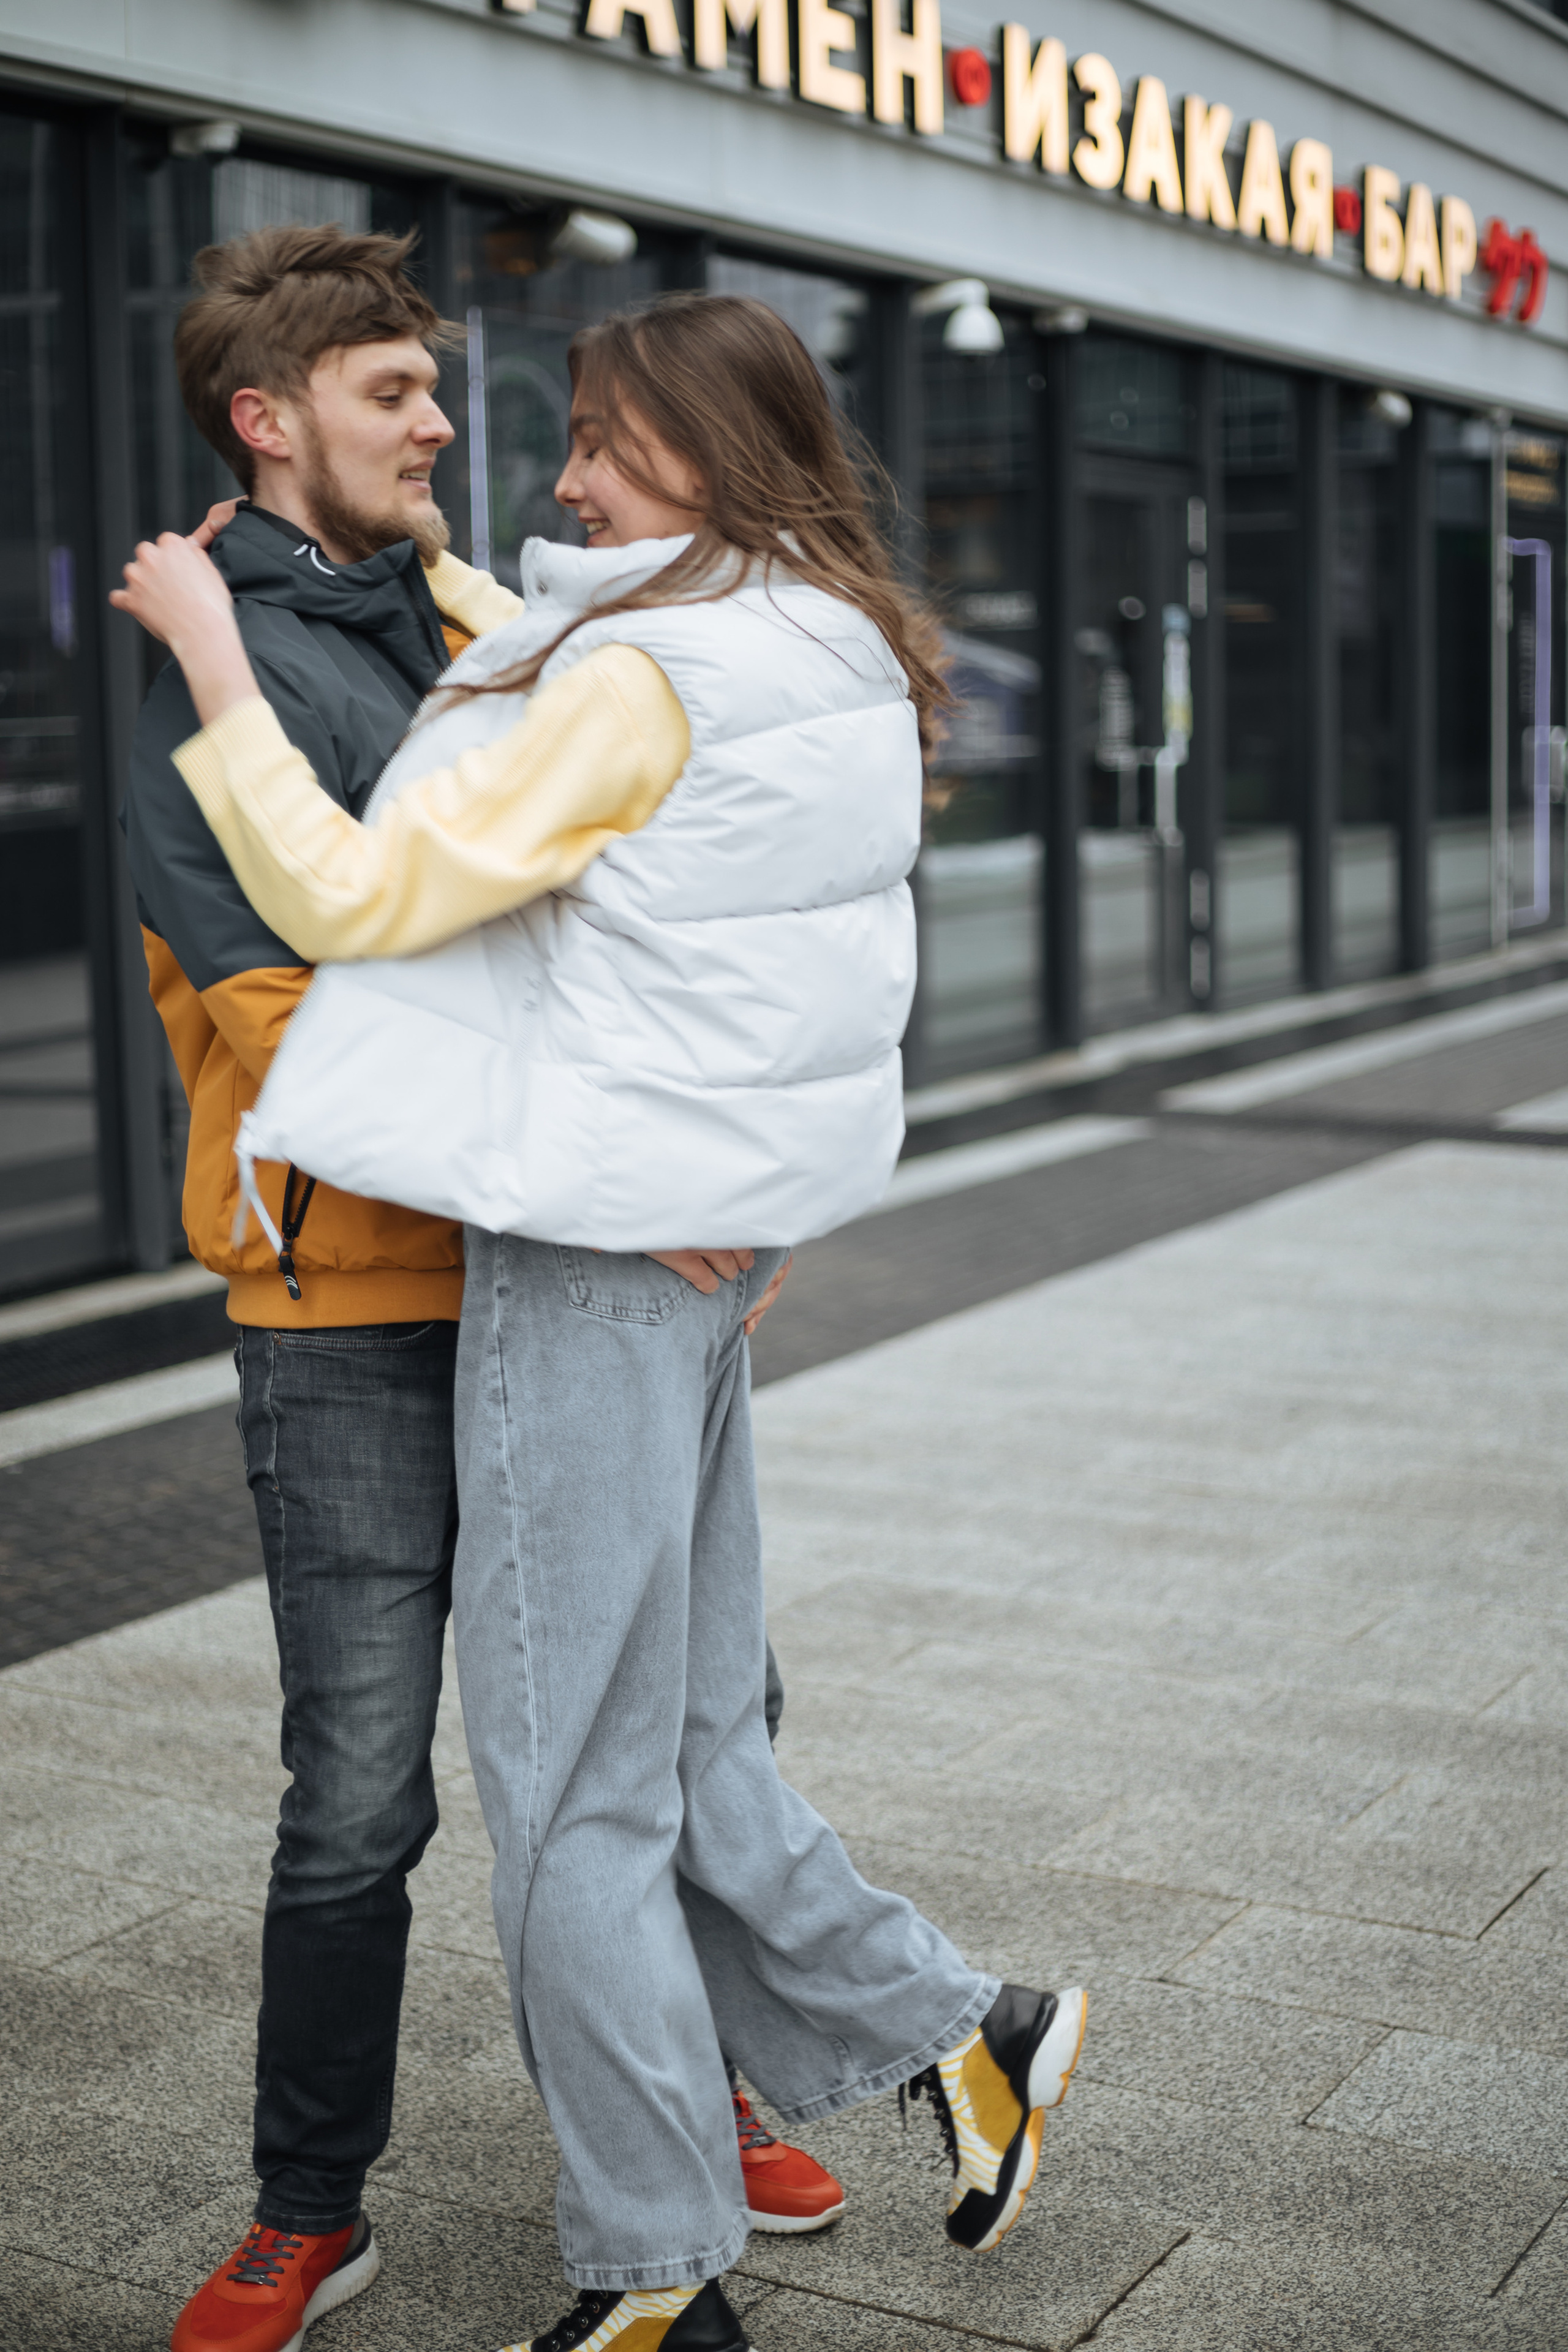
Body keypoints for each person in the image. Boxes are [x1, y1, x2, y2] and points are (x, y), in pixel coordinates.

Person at [113, 290, 1087, 2352]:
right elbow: (785, 961)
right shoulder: (820, 631)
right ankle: (952, 2028)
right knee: (666, 1748)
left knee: (573, 1798)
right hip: (591, 1261)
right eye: (423, 399)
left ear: (706, 462)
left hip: (577, 1259)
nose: (519, 463)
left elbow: (367, 911)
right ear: (269, 421)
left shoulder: (631, 669)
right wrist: (744, 1191)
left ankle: (655, 2273)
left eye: (585, 437)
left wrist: (208, 655)